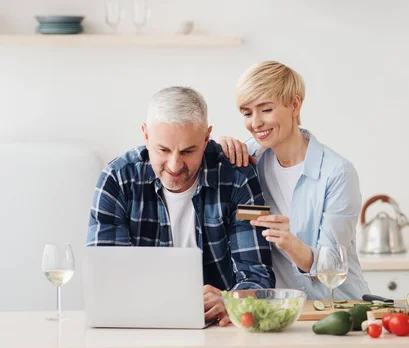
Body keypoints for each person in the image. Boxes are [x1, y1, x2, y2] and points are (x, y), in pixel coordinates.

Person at [86, 86, 275, 326]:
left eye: (188, 151)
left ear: (207, 138)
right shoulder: (116, 179)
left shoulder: (240, 176)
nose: (175, 165)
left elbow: (259, 275)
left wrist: (233, 300)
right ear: (146, 135)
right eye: (163, 150)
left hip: (220, 328)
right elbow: (103, 280)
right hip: (138, 325)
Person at [216, 61, 369, 300]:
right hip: (280, 310)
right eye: (247, 113)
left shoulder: (337, 173)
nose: (255, 123)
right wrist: (218, 146)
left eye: (266, 109)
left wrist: (290, 243)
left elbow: (331, 264)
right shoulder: (248, 160)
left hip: (337, 306)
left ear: (295, 105)